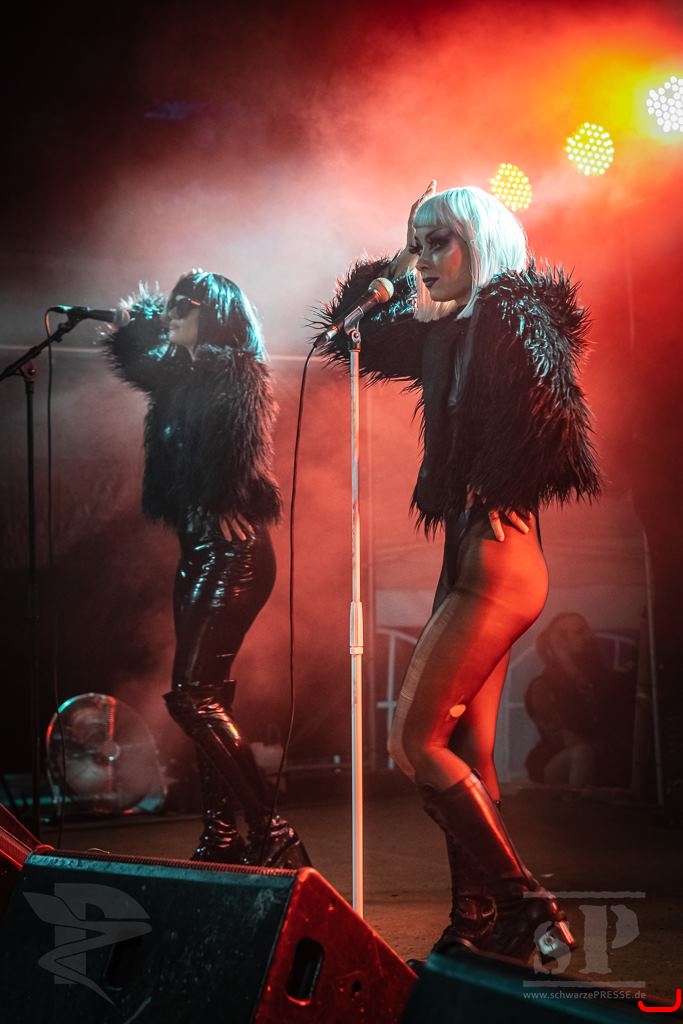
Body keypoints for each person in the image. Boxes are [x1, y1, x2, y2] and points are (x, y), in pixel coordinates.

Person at [315, 183, 600, 963]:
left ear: (481, 241)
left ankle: (526, 907)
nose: (422, 259)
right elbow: (349, 341)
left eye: (437, 241)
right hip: (465, 557)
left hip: (498, 557)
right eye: (415, 243)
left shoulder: (514, 315)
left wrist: (494, 482)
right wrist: (388, 271)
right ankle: (472, 925)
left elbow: (555, 421)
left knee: (413, 742)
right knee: (466, 748)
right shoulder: (442, 334)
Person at [105, 270, 309, 868]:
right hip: (195, 551)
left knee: (194, 697)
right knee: (208, 696)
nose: (172, 314)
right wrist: (144, 316)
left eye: (185, 306)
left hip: (234, 553)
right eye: (170, 305)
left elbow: (237, 450)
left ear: (215, 314)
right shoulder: (176, 375)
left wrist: (225, 497)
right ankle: (221, 836)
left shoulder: (233, 371)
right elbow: (133, 355)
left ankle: (272, 829)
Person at [525, 612, 636, 789]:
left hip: (607, 760)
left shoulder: (604, 680)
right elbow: (564, 739)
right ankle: (577, 804)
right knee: (583, 754)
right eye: (579, 632)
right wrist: (562, 656)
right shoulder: (543, 687)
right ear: (560, 642)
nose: (589, 636)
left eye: (587, 630)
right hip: (559, 758)